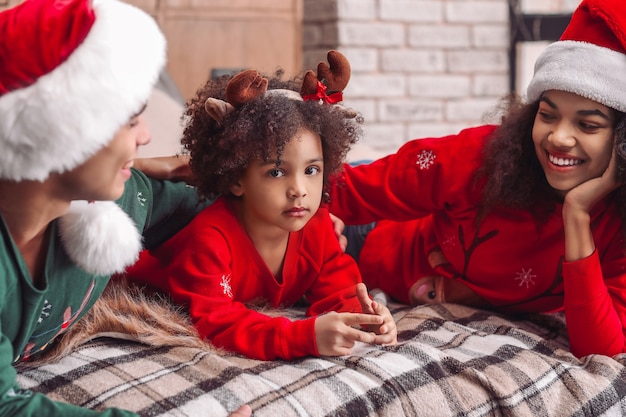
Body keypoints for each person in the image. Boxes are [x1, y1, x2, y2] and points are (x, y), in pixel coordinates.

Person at [327, 0, 626, 359]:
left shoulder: (616, 222)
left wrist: (577, 215)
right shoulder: (483, 157)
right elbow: (332, 191)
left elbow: (601, 348)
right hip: (371, 235)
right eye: (547, 115)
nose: (558, 138)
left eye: (588, 124)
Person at [0, 0, 251, 416]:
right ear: (61, 130)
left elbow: (239, 209)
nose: (148, 137)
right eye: (132, 120)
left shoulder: (119, 202)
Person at [123, 52, 397, 361]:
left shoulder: (317, 224)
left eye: (311, 170)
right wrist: (303, 336)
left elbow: (339, 291)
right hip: (135, 271)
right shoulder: (211, 238)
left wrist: (366, 318)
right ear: (236, 179)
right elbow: (217, 323)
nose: (299, 190)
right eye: (276, 172)